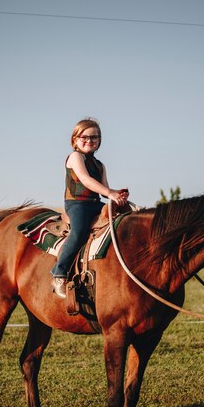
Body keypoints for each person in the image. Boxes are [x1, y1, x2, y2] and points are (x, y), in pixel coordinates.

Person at [51, 118, 129, 298]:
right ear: (74, 139)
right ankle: (59, 273)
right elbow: (86, 180)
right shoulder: (75, 157)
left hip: (95, 204)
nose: (89, 140)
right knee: (78, 232)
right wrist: (110, 193)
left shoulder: (100, 165)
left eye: (94, 137)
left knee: (125, 219)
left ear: (100, 141)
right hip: (77, 204)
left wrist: (117, 194)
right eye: (84, 136)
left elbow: (103, 190)